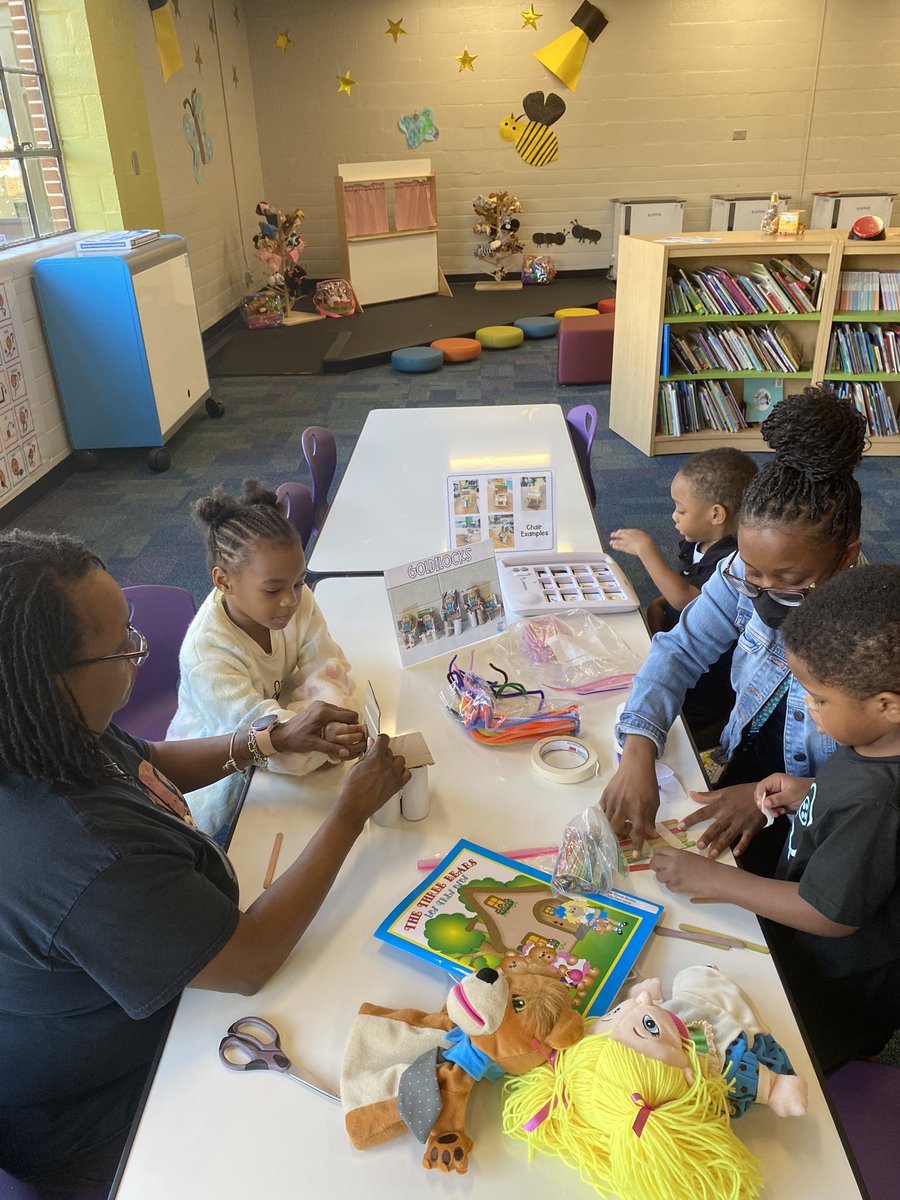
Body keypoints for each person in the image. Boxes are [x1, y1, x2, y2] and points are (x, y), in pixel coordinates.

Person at [0, 529, 409, 1191]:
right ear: (48, 681)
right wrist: (348, 813)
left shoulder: (44, 728)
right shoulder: (80, 855)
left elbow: (147, 765)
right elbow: (249, 960)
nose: (141, 652)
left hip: (156, 995)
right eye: (123, 647)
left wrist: (267, 740)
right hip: (104, 1106)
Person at [599, 388, 867, 863]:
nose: (762, 592)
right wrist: (638, 746)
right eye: (752, 574)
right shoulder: (742, 570)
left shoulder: (879, 634)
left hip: (817, 814)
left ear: (846, 557)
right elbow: (680, 649)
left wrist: (779, 797)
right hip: (739, 763)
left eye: (790, 582)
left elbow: (880, 779)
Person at [651, 564, 900, 1073]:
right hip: (818, 916)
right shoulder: (874, 743)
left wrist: (717, 880)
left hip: (834, 979)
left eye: (820, 698)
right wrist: (810, 791)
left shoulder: (875, 801)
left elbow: (829, 914)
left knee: (793, 1058)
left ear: (887, 705)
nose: (809, 706)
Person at [167, 480, 364, 839]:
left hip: (271, 739)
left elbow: (325, 666)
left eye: (299, 583)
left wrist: (327, 726)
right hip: (220, 773)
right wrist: (325, 738)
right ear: (224, 581)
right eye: (273, 590)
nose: (291, 600)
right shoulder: (206, 656)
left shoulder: (294, 599)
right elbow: (257, 734)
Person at [609, 447, 757, 746]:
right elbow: (682, 591)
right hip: (676, 639)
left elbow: (690, 600)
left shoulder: (732, 561)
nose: (674, 516)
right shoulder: (697, 542)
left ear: (716, 514)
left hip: (706, 681)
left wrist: (646, 550)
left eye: (681, 510)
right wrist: (661, 607)